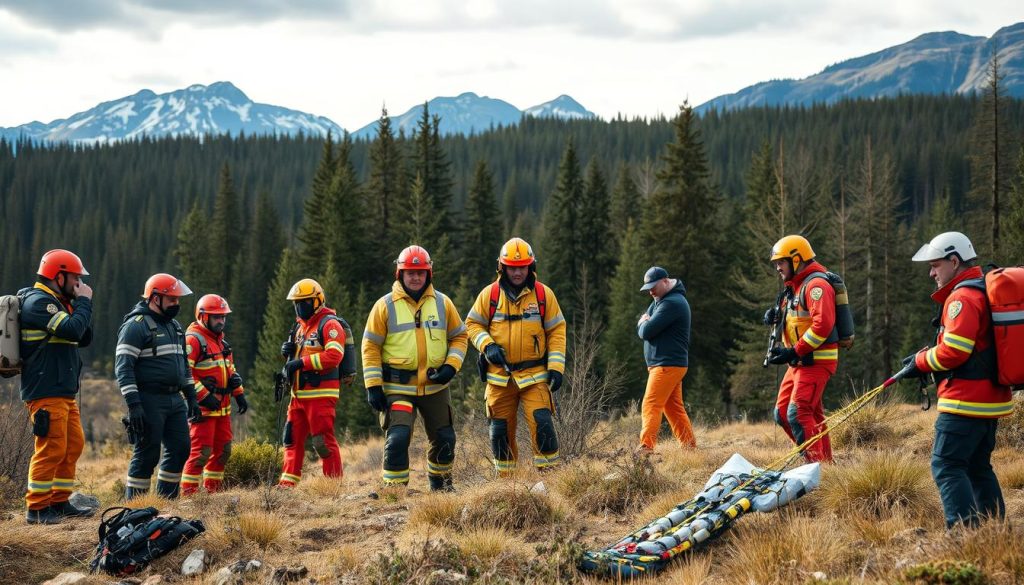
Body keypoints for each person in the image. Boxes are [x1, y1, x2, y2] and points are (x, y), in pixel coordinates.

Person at [904, 231, 1012, 528]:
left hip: (965, 401)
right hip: (988, 401)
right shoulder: (981, 291)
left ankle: (963, 536)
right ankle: (993, 533)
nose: (931, 273)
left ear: (954, 261)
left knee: (947, 466)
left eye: (935, 265)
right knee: (978, 468)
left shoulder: (962, 298)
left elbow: (954, 352)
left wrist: (920, 362)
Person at [362, 246, 468, 490]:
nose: (415, 277)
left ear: (429, 273)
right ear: (399, 274)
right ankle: (394, 493)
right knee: (398, 438)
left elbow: (460, 337)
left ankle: (440, 487)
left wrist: (451, 367)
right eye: (410, 272)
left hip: (435, 387)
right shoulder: (384, 306)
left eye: (421, 272)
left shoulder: (443, 303)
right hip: (398, 387)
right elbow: (370, 347)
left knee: (445, 438)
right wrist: (373, 386)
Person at [465, 237, 567, 475]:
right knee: (499, 431)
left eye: (522, 267)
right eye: (512, 267)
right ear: (502, 267)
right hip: (499, 378)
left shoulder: (543, 295)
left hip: (535, 375)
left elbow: (557, 331)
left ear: (530, 267)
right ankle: (507, 483)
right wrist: (486, 345)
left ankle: (550, 479)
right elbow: (472, 324)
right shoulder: (489, 295)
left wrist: (556, 367)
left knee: (543, 424)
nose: (518, 272)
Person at [20, 250, 94, 524]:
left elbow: (83, 336)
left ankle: (59, 502)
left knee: (73, 445)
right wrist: (84, 302)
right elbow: (72, 331)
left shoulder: (58, 301)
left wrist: (79, 304)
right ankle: (37, 508)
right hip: (45, 389)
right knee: (50, 448)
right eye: (75, 277)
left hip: (62, 390)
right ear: (58, 275)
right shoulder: (39, 303)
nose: (78, 283)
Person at [115, 273, 199, 499]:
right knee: (147, 454)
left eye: (177, 299)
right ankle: (135, 508)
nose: (176, 304)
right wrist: (134, 406)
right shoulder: (136, 326)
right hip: (148, 399)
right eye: (171, 299)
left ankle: (165, 503)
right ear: (154, 298)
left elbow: (183, 364)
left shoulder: (175, 327)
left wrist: (191, 396)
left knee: (181, 449)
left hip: (175, 400)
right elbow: (123, 368)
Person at [277, 278, 355, 487]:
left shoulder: (329, 324)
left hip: (320, 394)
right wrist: (289, 353)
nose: (299, 307)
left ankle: (332, 486)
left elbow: (334, 356)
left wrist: (301, 363)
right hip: (298, 396)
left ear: (317, 301)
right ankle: (287, 486)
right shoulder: (300, 328)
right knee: (291, 440)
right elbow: (297, 358)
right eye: (296, 303)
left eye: (303, 302)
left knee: (322, 441)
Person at [765, 235, 836, 463]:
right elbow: (797, 319)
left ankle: (818, 470)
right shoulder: (795, 287)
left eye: (781, 262)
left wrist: (794, 350)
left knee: (798, 413)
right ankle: (823, 464)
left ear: (797, 259)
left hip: (815, 362)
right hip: (798, 363)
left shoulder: (816, 286)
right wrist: (775, 316)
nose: (778, 267)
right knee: (783, 413)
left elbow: (822, 326)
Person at [181, 294, 247, 495]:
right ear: (203, 317)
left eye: (223, 317)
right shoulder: (193, 339)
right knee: (200, 453)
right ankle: (189, 496)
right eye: (216, 317)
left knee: (223, 452)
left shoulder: (221, 341)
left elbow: (229, 368)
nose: (221, 321)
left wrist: (239, 392)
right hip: (203, 410)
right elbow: (184, 373)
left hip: (222, 410)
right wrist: (203, 395)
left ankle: (212, 493)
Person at [636, 266, 696, 453]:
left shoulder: (673, 303)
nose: (651, 291)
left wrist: (643, 321)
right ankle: (689, 448)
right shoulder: (659, 301)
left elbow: (645, 331)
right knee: (673, 408)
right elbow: (646, 328)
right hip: (666, 364)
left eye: (653, 286)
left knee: (651, 403)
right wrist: (645, 322)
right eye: (648, 288)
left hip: (667, 364)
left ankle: (646, 447)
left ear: (665, 281)